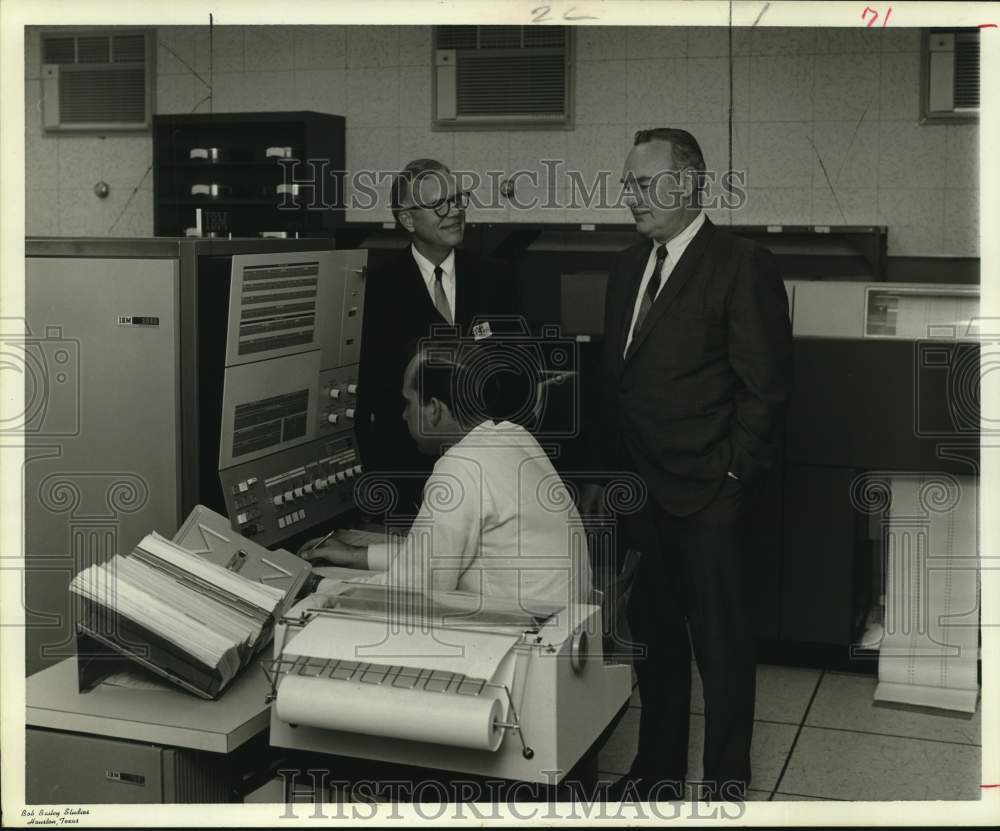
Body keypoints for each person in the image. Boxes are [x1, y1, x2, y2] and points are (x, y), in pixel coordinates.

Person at [581, 128, 793, 802]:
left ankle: (726, 777)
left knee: (722, 649)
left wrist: (733, 478)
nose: (630, 197)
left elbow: (767, 389)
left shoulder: (740, 263)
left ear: (690, 183)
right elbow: (621, 380)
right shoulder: (625, 267)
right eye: (628, 184)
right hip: (641, 495)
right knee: (656, 643)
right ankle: (658, 768)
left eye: (643, 184)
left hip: (709, 496)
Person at [307, 340, 591, 610]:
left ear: (434, 409)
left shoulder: (461, 467)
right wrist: (356, 556)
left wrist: (317, 586)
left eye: (408, 402)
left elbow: (409, 592)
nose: (404, 415)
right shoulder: (514, 436)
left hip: (524, 638)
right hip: (560, 631)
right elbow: (434, 558)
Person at [355, 159, 517, 518]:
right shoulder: (377, 291)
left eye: (459, 198)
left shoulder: (496, 278)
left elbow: (516, 378)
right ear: (408, 219)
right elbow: (369, 397)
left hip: (487, 479)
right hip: (406, 481)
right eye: (440, 204)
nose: (455, 211)